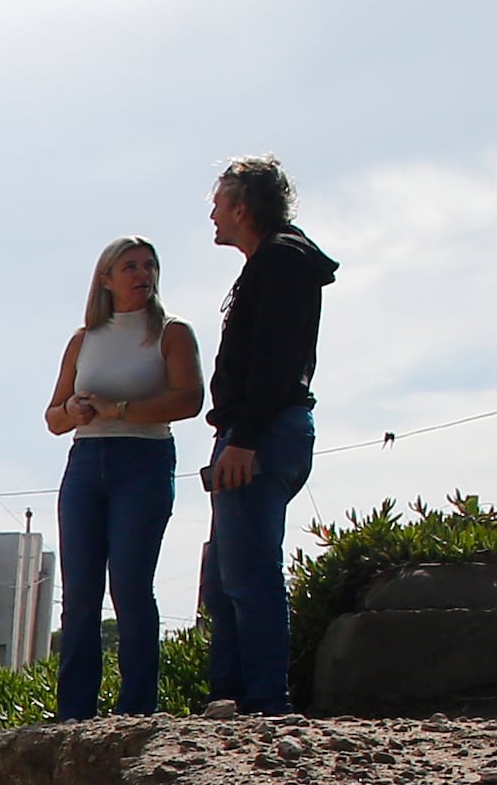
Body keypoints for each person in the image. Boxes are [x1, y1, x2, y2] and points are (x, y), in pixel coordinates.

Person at [196, 156, 338, 712]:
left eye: (218, 200)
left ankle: (262, 702)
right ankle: (233, 697)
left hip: (262, 431)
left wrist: (245, 438)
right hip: (256, 428)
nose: (211, 212)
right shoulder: (275, 261)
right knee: (229, 574)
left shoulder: (281, 260)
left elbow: (276, 360)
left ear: (241, 205)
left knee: (249, 572)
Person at [43, 235, 200, 717]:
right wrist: (75, 408)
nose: (142, 274)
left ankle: (136, 709)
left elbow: (190, 400)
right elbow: (52, 418)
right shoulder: (83, 339)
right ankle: (74, 712)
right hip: (87, 461)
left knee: (131, 585)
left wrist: (123, 409)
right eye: (129, 265)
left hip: (145, 460)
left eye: (149, 265)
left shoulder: (172, 332)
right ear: (106, 278)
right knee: (81, 592)